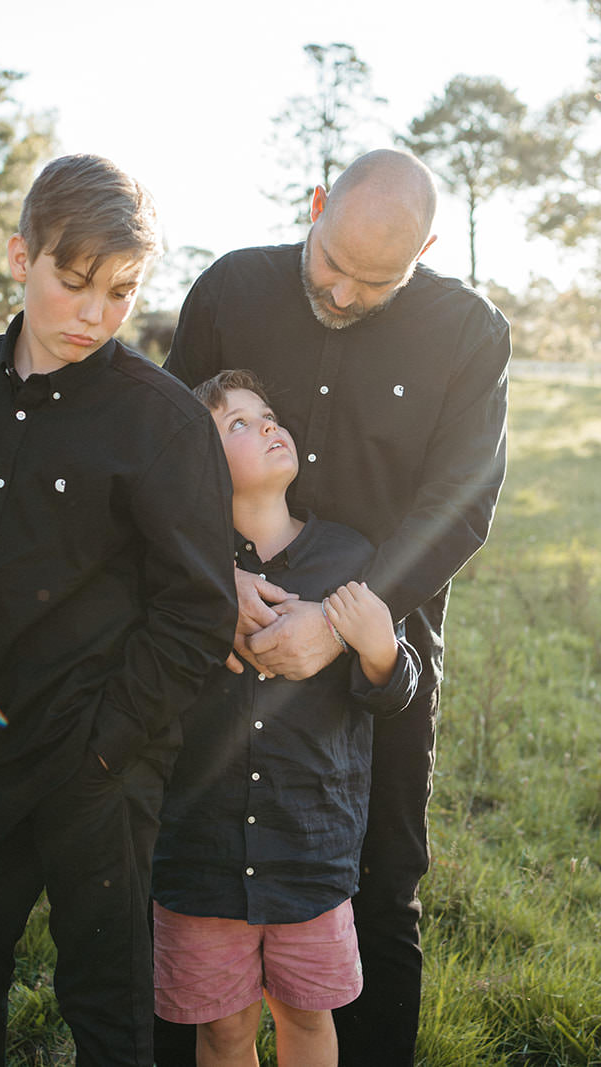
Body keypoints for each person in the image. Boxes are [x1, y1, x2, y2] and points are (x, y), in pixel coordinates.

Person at [0, 153, 237, 1066]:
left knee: (107, 1004)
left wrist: (107, 748)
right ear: (19, 256)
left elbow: (197, 613)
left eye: (121, 292)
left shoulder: (163, 424)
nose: (95, 314)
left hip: (101, 770)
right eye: (73, 283)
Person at [161, 148, 512, 1066]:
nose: (348, 294)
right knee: (187, 866)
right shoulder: (231, 289)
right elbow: (164, 454)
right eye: (331, 266)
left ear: (427, 247)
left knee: (380, 877)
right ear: (315, 205)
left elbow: (462, 503)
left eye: (378, 280)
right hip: (213, 633)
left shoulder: (469, 333)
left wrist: (343, 618)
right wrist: (206, 582)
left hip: (375, 641)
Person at [152, 370, 420, 1066]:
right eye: (236, 424)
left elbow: (393, 691)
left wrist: (378, 646)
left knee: (307, 1020)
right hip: (200, 851)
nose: (267, 426)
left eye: (268, 413)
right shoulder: (180, 567)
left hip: (311, 846)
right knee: (222, 1030)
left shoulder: (350, 556)